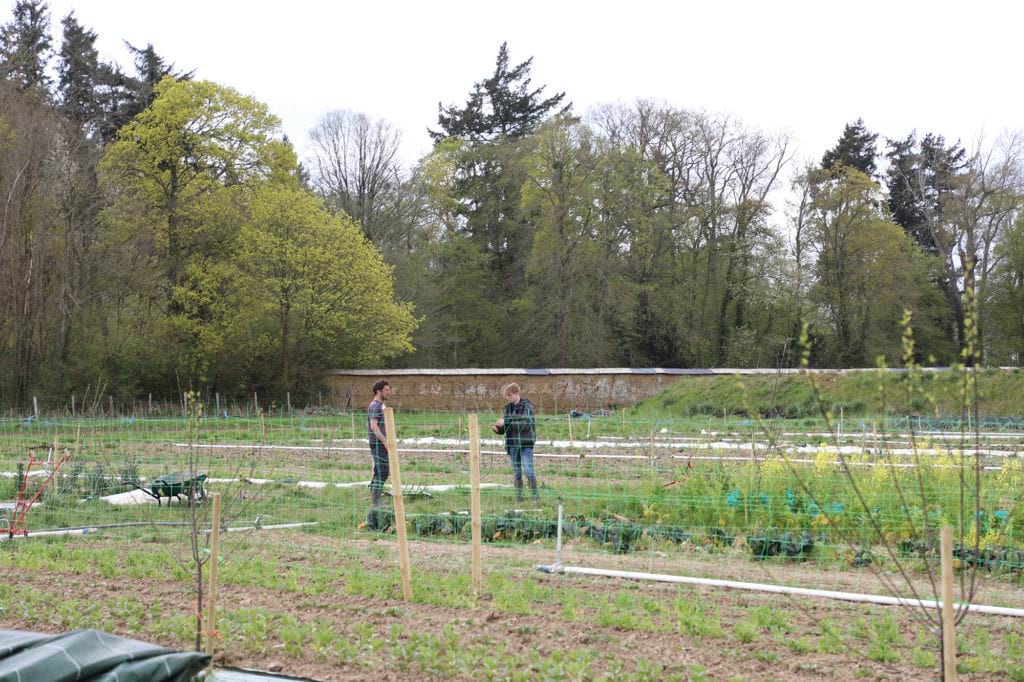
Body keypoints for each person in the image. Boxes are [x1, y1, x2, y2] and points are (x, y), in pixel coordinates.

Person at [492, 383, 539, 502]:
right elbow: (508, 427)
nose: (508, 398)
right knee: (517, 472)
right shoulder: (508, 408)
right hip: (512, 444)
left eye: (509, 395)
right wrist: (499, 429)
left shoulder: (527, 407)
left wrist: (506, 421)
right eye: (506, 396)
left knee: (528, 470)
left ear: (516, 393)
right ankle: (519, 498)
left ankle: (535, 497)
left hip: (525, 443)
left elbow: (525, 425)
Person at [366, 380, 391, 521]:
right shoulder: (375, 406)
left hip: (380, 443)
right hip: (377, 443)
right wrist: (385, 441)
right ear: (378, 391)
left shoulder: (381, 405)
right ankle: (376, 502)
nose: (389, 392)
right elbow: (374, 427)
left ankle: (376, 500)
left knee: (381, 471)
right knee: (382, 471)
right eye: (386, 390)